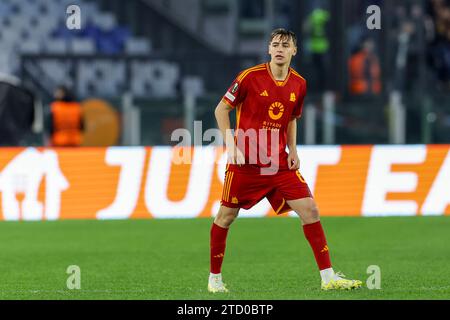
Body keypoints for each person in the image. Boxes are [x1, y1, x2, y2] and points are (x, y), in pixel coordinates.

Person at [209, 28, 362, 293]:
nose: (280, 48)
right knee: (226, 216)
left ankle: (328, 278)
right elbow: (221, 109)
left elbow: (291, 117)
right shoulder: (249, 77)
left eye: (285, 45)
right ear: (269, 49)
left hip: (279, 162)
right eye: (275, 44)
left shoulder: (299, 84)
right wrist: (231, 144)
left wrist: (293, 150)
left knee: (310, 210)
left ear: (294, 51)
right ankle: (214, 281)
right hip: (246, 163)